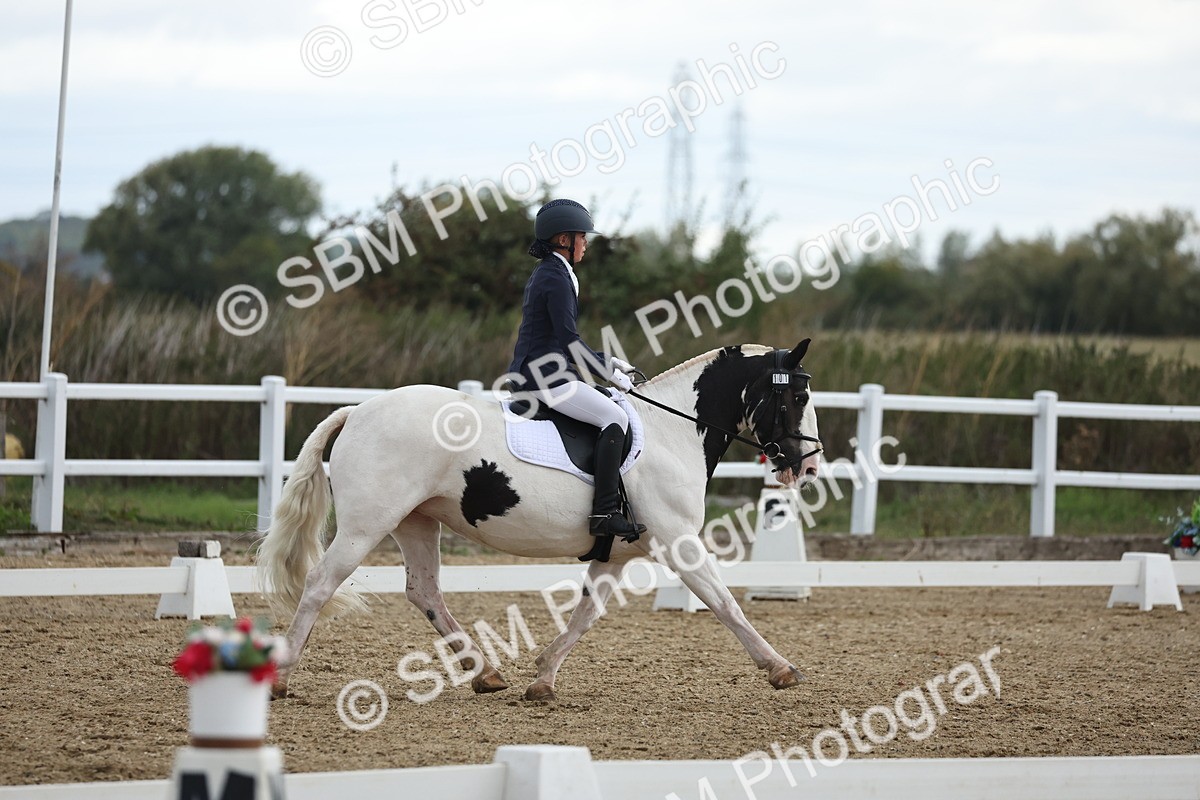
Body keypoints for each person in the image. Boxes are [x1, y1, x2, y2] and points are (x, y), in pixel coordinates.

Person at [508, 199, 646, 539]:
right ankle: (605, 512)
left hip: (543, 370)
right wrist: (608, 374)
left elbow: (559, 341)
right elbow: (569, 341)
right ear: (563, 239)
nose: (585, 243)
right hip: (544, 378)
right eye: (582, 237)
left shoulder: (552, 272)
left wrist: (606, 360)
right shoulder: (555, 277)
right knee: (616, 417)